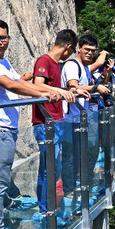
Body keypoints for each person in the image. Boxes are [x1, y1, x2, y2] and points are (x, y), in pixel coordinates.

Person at [0, 19, 72, 229]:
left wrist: (54, 90)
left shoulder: (2, 62)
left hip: (5, 130)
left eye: (3, 37)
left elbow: (20, 82)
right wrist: (46, 93)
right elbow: (12, 86)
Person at [31, 29, 83, 216]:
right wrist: (62, 91)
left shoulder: (55, 64)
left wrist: (71, 91)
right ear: (68, 46)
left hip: (55, 121)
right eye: (73, 50)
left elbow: (51, 87)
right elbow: (37, 85)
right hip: (45, 122)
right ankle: (47, 211)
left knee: (51, 167)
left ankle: (46, 207)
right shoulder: (44, 61)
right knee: (50, 168)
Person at [61, 34, 112, 196]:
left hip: (79, 117)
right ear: (79, 48)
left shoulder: (83, 67)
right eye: (87, 49)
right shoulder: (72, 65)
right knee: (70, 156)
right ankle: (69, 190)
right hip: (69, 118)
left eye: (93, 50)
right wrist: (96, 88)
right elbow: (73, 87)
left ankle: (76, 186)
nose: (90, 53)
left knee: (78, 154)